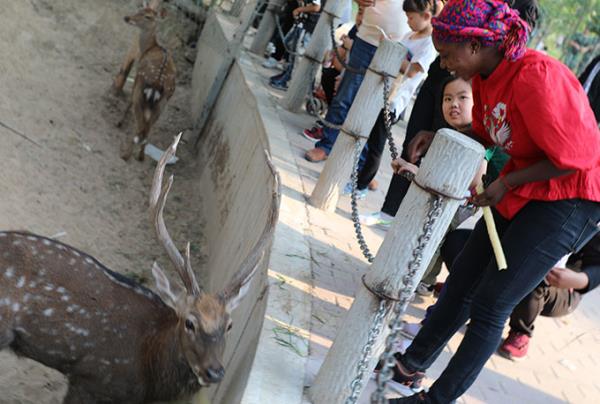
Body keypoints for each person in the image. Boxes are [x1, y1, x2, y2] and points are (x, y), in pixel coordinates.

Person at [384, 0, 600, 402]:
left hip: (570, 196)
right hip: (526, 184)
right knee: (464, 277)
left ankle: (437, 398)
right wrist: (443, 136)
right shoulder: (484, 77)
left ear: (474, 46)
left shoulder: (535, 75)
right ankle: (409, 364)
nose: (446, 65)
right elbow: (494, 131)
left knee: (491, 302)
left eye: (448, 54)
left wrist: (509, 180)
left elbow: (576, 158)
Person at [360, 0, 539, 228]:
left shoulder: (522, 73)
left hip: (539, 200)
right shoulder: (461, 66)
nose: (444, 63)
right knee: (419, 142)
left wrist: (505, 182)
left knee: (446, 151)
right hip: (445, 74)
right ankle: (393, 212)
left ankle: (420, 223)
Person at [337, 0, 440, 200]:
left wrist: (390, 53)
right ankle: (357, 175)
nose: (408, 22)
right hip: (383, 93)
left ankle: (362, 184)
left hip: (394, 101)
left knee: (376, 143)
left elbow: (413, 71)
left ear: (426, 16)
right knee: (368, 137)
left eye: (411, 17)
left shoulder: (429, 43)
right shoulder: (410, 35)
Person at [303, 0, 410, 162]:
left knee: (374, 107)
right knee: (344, 96)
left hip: (396, 47)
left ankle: (362, 165)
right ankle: (326, 145)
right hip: (366, 38)